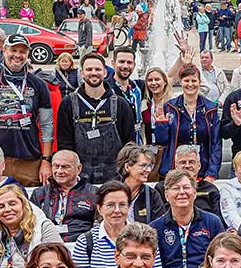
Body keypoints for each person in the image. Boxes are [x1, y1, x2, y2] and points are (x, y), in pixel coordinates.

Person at [0, 34, 54, 187]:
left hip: (30, 159)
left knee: (29, 207)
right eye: (13, 50)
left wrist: (46, 160)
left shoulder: (39, 85)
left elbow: (47, 125)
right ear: (4, 51)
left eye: (22, 51)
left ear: (27, 55)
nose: (17, 55)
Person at [57, 52, 138, 187]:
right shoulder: (68, 103)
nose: (93, 73)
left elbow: (130, 145)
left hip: (114, 177)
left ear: (105, 73)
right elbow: (64, 144)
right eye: (89, 69)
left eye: (98, 69)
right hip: (79, 178)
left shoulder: (120, 104)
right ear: (81, 73)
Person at [151, 170, 225, 268]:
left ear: (195, 193)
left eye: (186, 187)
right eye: (175, 188)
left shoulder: (212, 222)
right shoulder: (155, 228)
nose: (182, 192)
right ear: (166, 195)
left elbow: (223, 258)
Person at [72, 182, 150, 268]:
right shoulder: (86, 241)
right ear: (99, 209)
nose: (117, 210)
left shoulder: (146, 237)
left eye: (122, 205)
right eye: (110, 205)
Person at [152, 64, 222, 180]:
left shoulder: (210, 109)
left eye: (194, 80)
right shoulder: (169, 107)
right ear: (180, 82)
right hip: (174, 170)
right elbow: (161, 141)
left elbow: (216, 143)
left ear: (199, 82)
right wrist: (161, 124)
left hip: (201, 170)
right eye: (186, 81)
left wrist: (212, 173)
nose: (190, 84)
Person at [0, 183, 64, 268]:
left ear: (23, 206)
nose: (7, 209)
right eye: (1, 206)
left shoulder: (43, 227)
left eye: (12, 204)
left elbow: (60, 265)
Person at [31, 149, 99, 241]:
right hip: (47, 245)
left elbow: (100, 225)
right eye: (56, 166)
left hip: (81, 244)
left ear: (78, 169)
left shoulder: (93, 193)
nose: (59, 171)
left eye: (65, 167)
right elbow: (30, 223)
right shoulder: (39, 193)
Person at [115, 143, 166, 225]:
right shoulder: (110, 192)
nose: (148, 170)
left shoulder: (152, 195)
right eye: (143, 166)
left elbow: (159, 226)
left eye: (150, 166)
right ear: (127, 167)